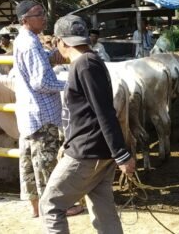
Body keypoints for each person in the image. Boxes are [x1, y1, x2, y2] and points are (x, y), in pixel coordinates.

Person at [40, 15, 136, 234]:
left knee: (50, 205)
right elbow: (89, 114)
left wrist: (121, 154)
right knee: (103, 209)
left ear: (60, 42)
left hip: (86, 153)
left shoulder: (84, 65)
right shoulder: (90, 61)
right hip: (98, 151)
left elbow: (104, 111)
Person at [12, 0, 81, 218]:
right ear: (25, 20)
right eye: (38, 14)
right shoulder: (31, 44)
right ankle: (57, 207)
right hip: (43, 114)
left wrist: (51, 57)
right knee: (47, 163)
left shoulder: (24, 40)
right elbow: (41, 82)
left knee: (29, 165)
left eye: (42, 13)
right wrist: (72, 84)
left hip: (29, 114)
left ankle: (35, 207)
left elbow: (36, 70)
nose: (43, 17)